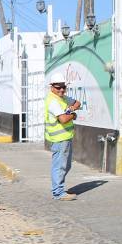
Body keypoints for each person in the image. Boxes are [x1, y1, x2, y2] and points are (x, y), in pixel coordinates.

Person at [44, 73, 81, 201]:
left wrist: (70, 109)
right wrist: (73, 115)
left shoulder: (62, 98)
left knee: (65, 165)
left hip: (66, 137)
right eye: (58, 87)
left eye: (63, 87)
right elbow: (64, 119)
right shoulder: (53, 101)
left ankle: (58, 187)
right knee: (60, 166)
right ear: (52, 87)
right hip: (59, 139)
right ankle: (58, 192)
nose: (61, 90)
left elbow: (77, 103)